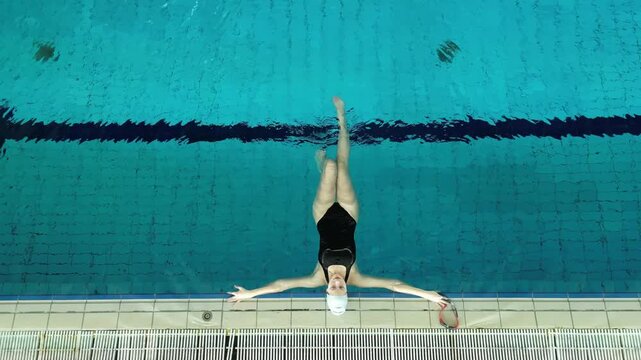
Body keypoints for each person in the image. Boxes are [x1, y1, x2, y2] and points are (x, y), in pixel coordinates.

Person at [227, 96, 449, 315]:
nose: (336, 283)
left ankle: (321, 163)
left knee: (331, 166)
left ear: (326, 289)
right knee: (342, 167)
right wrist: (427, 295)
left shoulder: (316, 277)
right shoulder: (356, 277)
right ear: (346, 289)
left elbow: (280, 285)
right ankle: (342, 119)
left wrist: (250, 294)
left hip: (322, 216)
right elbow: (394, 285)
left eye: (333, 288)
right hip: (349, 213)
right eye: (340, 288)